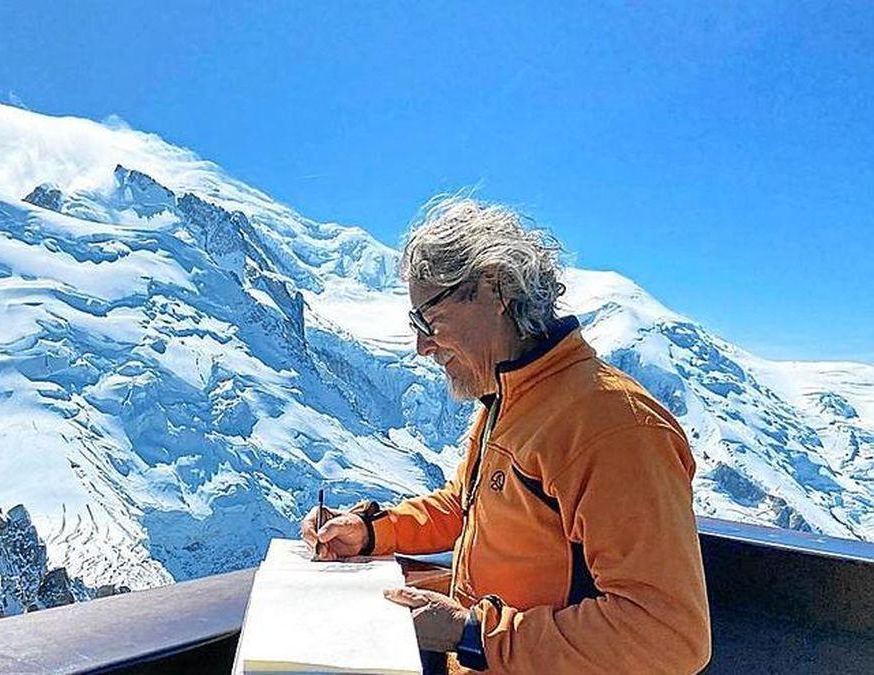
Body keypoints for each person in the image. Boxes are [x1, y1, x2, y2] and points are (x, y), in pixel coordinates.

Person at [300, 197, 711, 673]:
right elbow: (465, 506)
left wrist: (473, 634)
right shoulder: (512, 396)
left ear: (493, 288)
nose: (421, 345)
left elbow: (667, 636)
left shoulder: (612, 426)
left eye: (426, 320)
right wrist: (371, 532)